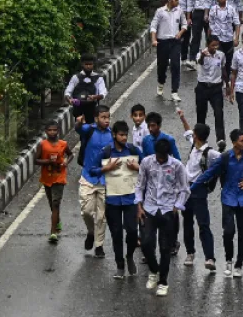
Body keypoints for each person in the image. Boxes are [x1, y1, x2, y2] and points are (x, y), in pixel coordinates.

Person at [191, 128, 243, 279]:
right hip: (228, 198)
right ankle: (229, 260)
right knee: (228, 232)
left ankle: (239, 264)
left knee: (242, 233)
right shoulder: (225, 158)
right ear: (234, 142)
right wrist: (192, 187)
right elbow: (210, 172)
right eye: (242, 141)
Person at [135, 138, 189, 297]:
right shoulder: (146, 163)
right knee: (145, 243)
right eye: (158, 156)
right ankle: (153, 270)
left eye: (163, 157)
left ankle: (163, 282)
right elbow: (140, 185)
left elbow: (185, 189)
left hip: (167, 210)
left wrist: (177, 206)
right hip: (149, 208)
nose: (160, 159)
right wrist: (139, 206)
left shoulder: (177, 166)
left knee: (165, 248)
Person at [90, 121, 140, 279]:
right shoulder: (106, 152)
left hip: (131, 198)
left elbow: (147, 166)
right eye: (121, 135)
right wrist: (106, 168)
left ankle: (130, 255)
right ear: (114, 135)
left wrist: (137, 167)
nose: (124, 138)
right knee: (116, 233)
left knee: (132, 231)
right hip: (112, 199)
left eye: (126, 135)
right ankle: (120, 265)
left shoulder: (133, 150)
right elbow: (92, 170)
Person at [181, 120, 220, 272]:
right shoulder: (194, 145)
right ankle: (190, 252)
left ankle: (209, 257)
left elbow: (222, 159)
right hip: (186, 188)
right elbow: (187, 132)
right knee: (187, 221)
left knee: (203, 223)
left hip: (199, 190)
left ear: (197, 135)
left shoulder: (210, 153)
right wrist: (183, 118)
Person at [75, 106, 113, 258]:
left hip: (105, 178)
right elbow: (78, 128)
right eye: (103, 117)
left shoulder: (112, 135)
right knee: (86, 211)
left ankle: (99, 245)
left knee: (101, 215)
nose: (106, 120)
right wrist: (78, 123)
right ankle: (91, 232)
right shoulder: (88, 130)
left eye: (108, 117)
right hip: (88, 176)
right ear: (96, 118)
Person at [35, 121, 73, 243]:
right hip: (47, 178)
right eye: (49, 130)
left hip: (59, 177)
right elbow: (36, 160)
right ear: (46, 131)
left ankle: (53, 232)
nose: (52, 132)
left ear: (58, 131)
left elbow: (71, 154)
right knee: (52, 203)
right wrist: (47, 162)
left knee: (56, 203)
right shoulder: (43, 145)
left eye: (54, 130)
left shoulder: (63, 144)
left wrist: (66, 162)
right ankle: (57, 221)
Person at [150, 0, 188, 102]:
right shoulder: (160, 12)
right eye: (176, 0)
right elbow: (153, 26)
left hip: (175, 42)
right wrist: (154, 39)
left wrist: (180, 33)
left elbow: (185, 24)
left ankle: (174, 91)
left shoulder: (179, 11)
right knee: (162, 66)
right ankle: (161, 83)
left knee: (176, 65)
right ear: (169, 0)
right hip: (163, 42)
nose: (177, 2)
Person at [195, 36, 227, 147]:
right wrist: (203, 55)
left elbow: (223, 69)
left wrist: (227, 85)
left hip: (216, 88)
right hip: (202, 87)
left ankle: (221, 138)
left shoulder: (221, 55)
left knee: (219, 113)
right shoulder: (201, 54)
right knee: (201, 114)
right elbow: (200, 62)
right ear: (207, 45)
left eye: (216, 45)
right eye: (213, 45)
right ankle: (199, 138)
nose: (215, 47)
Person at [65, 54, 107, 124]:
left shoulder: (98, 78)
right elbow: (68, 91)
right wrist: (69, 99)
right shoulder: (76, 77)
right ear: (82, 64)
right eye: (86, 64)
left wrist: (95, 97)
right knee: (82, 130)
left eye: (90, 64)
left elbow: (103, 92)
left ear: (93, 64)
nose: (88, 66)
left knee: (92, 130)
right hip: (79, 109)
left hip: (92, 108)